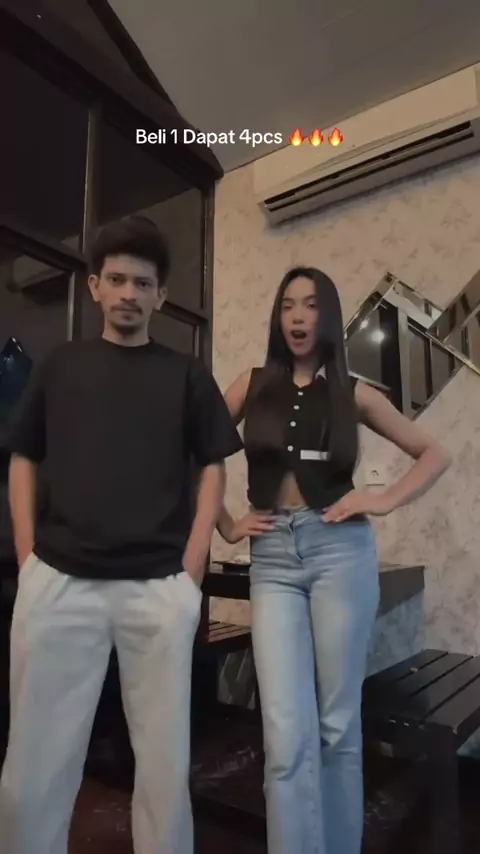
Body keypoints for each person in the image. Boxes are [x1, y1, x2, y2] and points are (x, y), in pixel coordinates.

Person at [0, 215, 243, 854]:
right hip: (58, 581)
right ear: (95, 287)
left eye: (142, 283)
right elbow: (23, 457)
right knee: (35, 761)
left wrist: (193, 567)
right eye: (116, 280)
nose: (128, 293)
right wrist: (27, 556)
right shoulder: (60, 366)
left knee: (163, 765)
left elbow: (213, 466)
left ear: (161, 294)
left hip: (157, 588)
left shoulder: (187, 374)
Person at [218, 267, 450, 854]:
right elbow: (194, 447)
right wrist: (225, 523)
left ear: (327, 317)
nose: (297, 316)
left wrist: (383, 498)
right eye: (287, 305)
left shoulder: (355, 392)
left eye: (311, 305)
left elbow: (433, 453)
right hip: (272, 558)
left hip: (339, 553)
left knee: (338, 726)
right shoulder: (251, 384)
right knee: (283, 732)